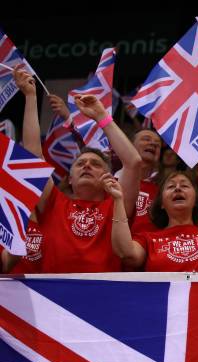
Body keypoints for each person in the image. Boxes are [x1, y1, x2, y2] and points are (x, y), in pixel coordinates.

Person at [14, 67, 142, 273]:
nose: (87, 166)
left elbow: (133, 162)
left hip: (101, 297)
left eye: (96, 164)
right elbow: (32, 158)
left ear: (108, 177)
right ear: (70, 179)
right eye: (80, 164)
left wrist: (102, 117)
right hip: (52, 298)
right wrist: (30, 97)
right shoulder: (54, 203)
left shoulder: (116, 205)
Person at [105, 170, 198, 272]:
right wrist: (118, 200)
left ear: (196, 201)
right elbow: (126, 253)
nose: (178, 188)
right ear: (161, 203)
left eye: (185, 185)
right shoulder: (148, 239)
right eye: (171, 186)